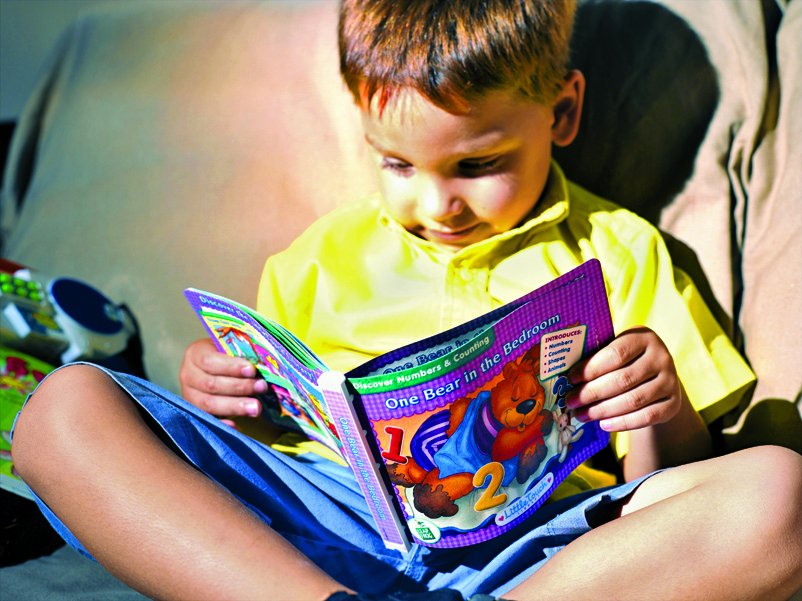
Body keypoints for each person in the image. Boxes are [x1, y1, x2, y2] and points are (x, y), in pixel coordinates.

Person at [11, 1, 802, 600]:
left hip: (550, 550)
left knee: (781, 489)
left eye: (476, 164)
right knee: (61, 407)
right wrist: (231, 397)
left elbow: (677, 480)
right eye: (395, 164)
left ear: (562, 112)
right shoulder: (318, 260)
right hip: (328, 527)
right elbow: (276, 436)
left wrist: (657, 405)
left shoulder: (620, 251)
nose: (436, 204)